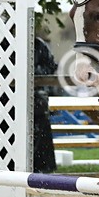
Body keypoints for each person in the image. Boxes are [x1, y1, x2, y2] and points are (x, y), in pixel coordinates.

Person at [33, 36, 58, 173]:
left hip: (38, 98)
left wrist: (34, 73)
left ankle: (43, 166)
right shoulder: (38, 45)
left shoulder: (38, 45)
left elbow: (51, 66)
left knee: (41, 131)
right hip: (11, 99)